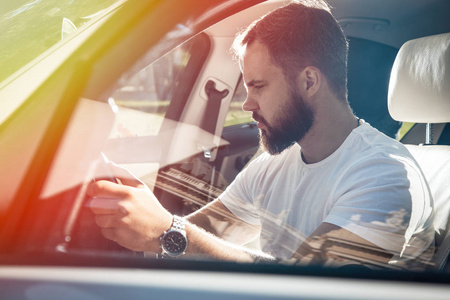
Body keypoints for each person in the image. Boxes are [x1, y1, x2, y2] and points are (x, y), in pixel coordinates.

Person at [88, 0, 435, 269]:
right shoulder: (276, 159)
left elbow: (305, 285)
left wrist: (169, 233)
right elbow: (212, 228)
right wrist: (136, 212)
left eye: (258, 86)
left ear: (309, 81)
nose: (248, 103)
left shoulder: (384, 177)